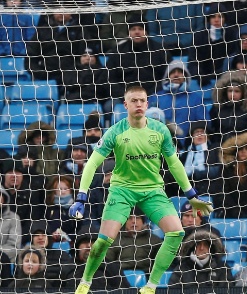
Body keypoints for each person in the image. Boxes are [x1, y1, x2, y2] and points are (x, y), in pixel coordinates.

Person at [70, 86, 213, 294]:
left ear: (147, 104)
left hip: (152, 190)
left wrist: (192, 196)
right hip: (122, 190)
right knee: (103, 241)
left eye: (142, 101)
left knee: (176, 233)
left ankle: (151, 286)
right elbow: (92, 164)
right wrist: (81, 197)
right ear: (125, 105)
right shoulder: (116, 131)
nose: (138, 104)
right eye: (134, 101)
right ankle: (85, 282)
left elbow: (174, 164)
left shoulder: (160, 130)